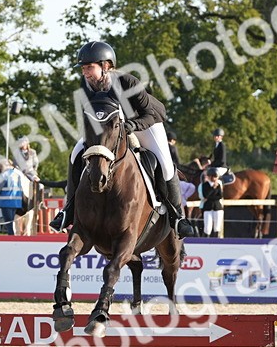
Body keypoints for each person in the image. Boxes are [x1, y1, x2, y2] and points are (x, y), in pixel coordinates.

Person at [49, 41, 194, 237]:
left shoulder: (129, 83)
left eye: (89, 67)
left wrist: (132, 126)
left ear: (106, 65)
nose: (85, 73)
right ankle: (68, 211)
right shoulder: (87, 86)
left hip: (144, 123)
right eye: (83, 68)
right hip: (110, 130)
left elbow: (149, 115)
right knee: (75, 154)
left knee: (166, 164)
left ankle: (178, 217)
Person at [12, 138, 40, 236]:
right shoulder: (16, 153)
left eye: (23, 142)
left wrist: (32, 172)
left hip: (30, 172)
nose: (21, 144)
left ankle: (40, 202)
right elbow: (15, 164)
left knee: (39, 184)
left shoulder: (32, 152)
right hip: (20, 172)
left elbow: (36, 163)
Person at [0, 159, 25, 236]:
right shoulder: (18, 173)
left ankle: (11, 238)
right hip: (16, 202)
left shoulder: (4, 175)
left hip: (6, 202)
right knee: (12, 221)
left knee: (8, 223)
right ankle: (13, 236)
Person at [198, 167, 225, 238]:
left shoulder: (218, 185)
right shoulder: (204, 185)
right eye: (215, 177)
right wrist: (213, 188)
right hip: (208, 207)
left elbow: (220, 196)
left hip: (217, 207)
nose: (216, 179)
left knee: (217, 227)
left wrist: (210, 197)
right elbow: (205, 195)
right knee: (207, 227)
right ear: (210, 176)